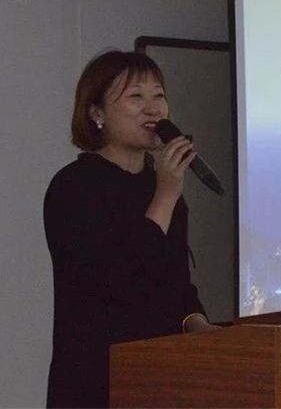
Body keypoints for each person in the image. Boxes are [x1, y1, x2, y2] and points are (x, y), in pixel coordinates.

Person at [43, 50, 219, 408]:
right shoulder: (74, 186)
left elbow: (175, 282)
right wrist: (165, 196)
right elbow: (120, 281)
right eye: (136, 96)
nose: (153, 109)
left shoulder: (161, 184)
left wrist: (201, 327)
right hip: (98, 378)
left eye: (159, 96)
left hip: (164, 376)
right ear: (97, 113)